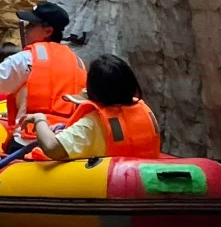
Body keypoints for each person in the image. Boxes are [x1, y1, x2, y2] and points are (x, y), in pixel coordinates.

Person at [0, 1, 86, 145]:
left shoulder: (27, 58)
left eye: (31, 25)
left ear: (48, 31)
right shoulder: (78, 62)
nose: (26, 29)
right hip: (64, 140)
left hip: (28, 140)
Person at [28, 54, 161, 161]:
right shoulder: (145, 114)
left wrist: (40, 119)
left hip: (104, 182)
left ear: (93, 91)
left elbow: (52, 147)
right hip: (140, 176)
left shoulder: (93, 123)